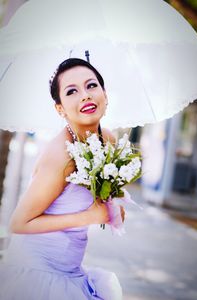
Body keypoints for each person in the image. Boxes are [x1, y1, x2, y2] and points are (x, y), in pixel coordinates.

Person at [0, 58, 124, 300]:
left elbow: (98, 198)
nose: (85, 96)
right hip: (39, 273)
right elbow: (19, 223)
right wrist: (90, 216)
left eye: (91, 85)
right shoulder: (61, 153)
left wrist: (112, 209)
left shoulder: (107, 140)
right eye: (71, 91)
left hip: (72, 269)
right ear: (60, 109)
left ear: (105, 94)